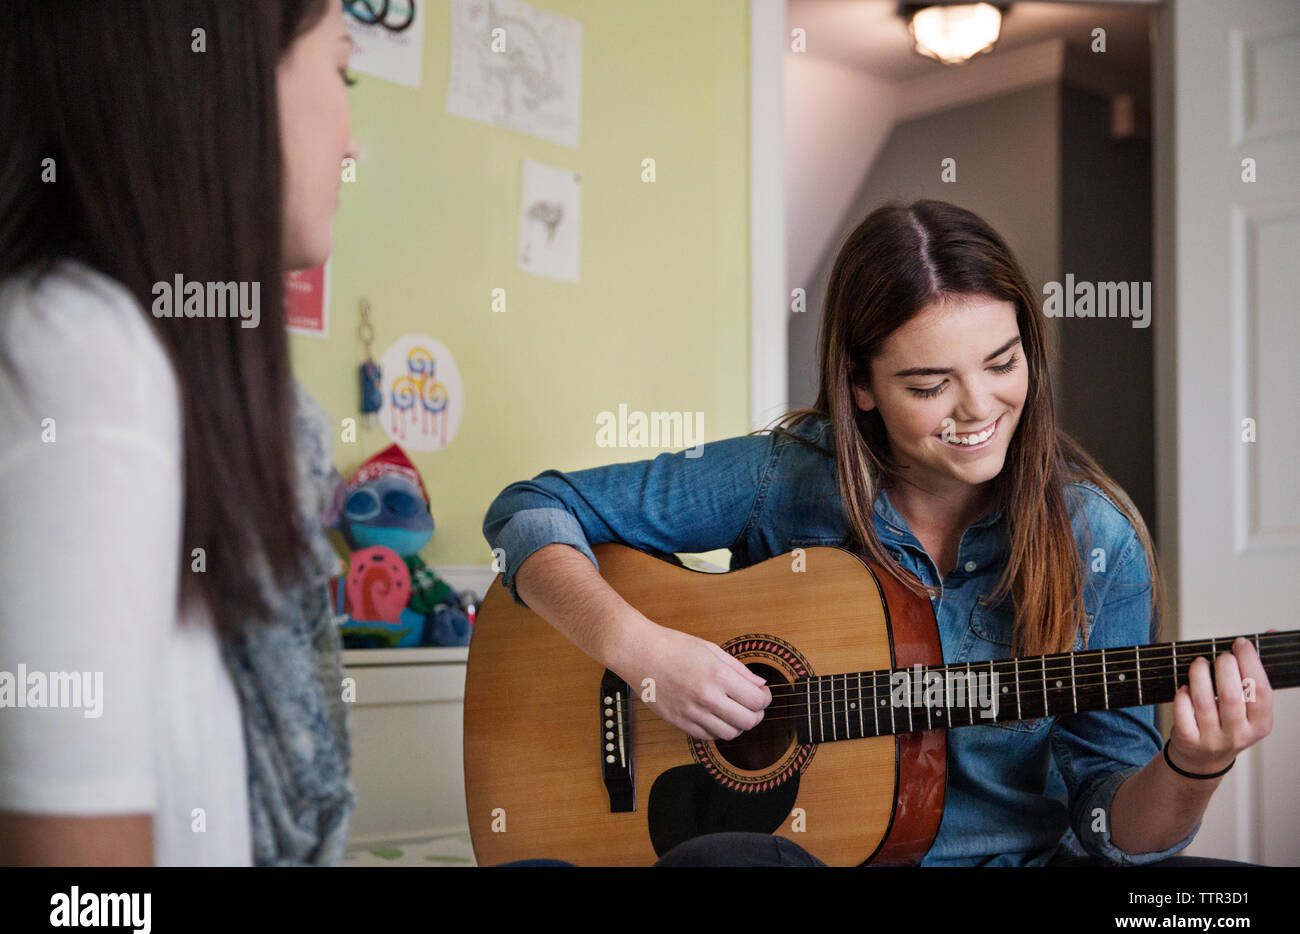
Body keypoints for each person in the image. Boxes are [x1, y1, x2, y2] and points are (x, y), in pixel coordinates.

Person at [482, 200, 1275, 866]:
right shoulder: (783, 477)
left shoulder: (1096, 541)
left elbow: (1111, 835)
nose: (980, 410)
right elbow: (529, 508)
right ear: (858, 384)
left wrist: (1191, 768)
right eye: (930, 385)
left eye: (1003, 364)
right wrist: (644, 653)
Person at [0, 0, 360, 864]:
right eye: (343, 72)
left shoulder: (129, 366)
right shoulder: (84, 355)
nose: (352, 144)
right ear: (220, 77)